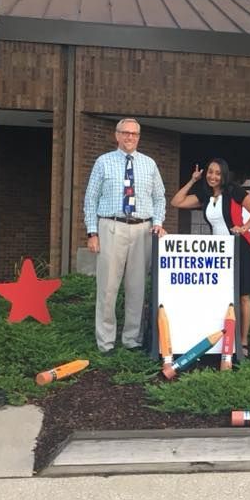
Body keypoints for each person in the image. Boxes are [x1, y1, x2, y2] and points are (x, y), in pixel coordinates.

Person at [83, 118, 167, 353]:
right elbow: (90, 199)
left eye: (134, 134)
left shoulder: (149, 164)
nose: (130, 137)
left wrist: (158, 223)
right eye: (125, 133)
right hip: (111, 226)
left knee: (137, 287)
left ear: (138, 137)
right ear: (117, 135)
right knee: (107, 288)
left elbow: (159, 198)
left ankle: (132, 340)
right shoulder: (103, 162)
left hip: (142, 230)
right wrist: (92, 232)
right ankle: (106, 342)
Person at [170, 158, 250, 357]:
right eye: (210, 172)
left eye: (218, 173)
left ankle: (243, 341)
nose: (213, 176)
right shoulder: (205, 195)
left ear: (224, 175)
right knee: (222, 294)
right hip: (218, 251)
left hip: (240, 247)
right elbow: (176, 202)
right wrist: (192, 180)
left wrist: (244, 228)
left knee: (243, 295)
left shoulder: (234, 191)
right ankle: (223, 338)